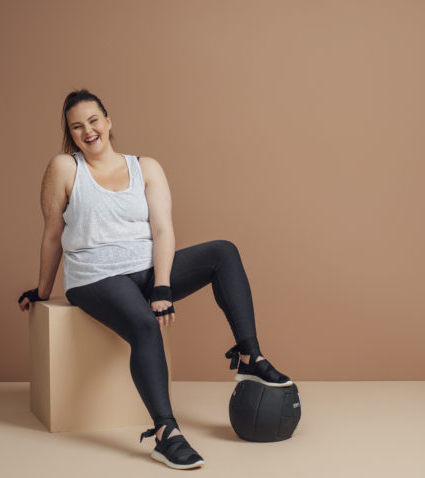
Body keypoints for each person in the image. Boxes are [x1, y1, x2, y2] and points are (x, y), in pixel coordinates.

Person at [17, 89, 292, 470]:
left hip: (147, 270)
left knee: (223, 252)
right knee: (146, 327)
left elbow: (163, 229)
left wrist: (162, 285)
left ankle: (249, 356)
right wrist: (43, 291)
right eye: (77, 126)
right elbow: (51, 232)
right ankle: (166, 433)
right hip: (95, 278)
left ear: (108, 121)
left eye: (94, 121)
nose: (88, 131)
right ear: (71, 133)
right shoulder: (65, 168)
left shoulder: (145, 167)